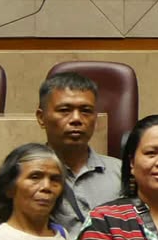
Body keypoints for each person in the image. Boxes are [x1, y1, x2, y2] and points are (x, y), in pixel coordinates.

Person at [36, 71, 124, 230]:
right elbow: (3, 238)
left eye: (86, 111)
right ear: (41, 118)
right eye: (64, 110)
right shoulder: (23, 175)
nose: (76, 119)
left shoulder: (121, 173)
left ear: (95, 118)